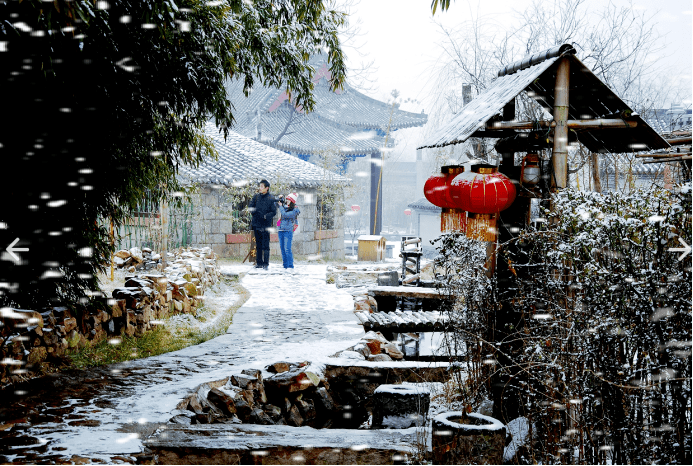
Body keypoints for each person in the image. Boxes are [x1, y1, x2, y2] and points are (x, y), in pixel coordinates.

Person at [248, 179, 276, 270]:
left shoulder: (271, 198)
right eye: (259, 186)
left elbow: (274, 212)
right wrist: (256, 214)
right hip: (256, 224)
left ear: (266, 188)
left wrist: (265, 216)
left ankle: (266, 263)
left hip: (266, 225)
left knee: (266, 246)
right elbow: (250, 207)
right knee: (258, 245)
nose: (260, 188)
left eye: (261, 186)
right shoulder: (256, 197)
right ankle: (259, 263)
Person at [276, 192, 300, 270]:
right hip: (281, 230)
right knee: (282, 248)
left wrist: (280, 206)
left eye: (289, 200)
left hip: (288, 231)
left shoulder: (295, 210)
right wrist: (279, 198)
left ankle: (290, 265)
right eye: (286, 200)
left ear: (292, 201)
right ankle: (285, 265)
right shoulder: (284, 207)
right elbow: (274, 203)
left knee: (287, 248)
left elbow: (285, 214)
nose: (287, 201)